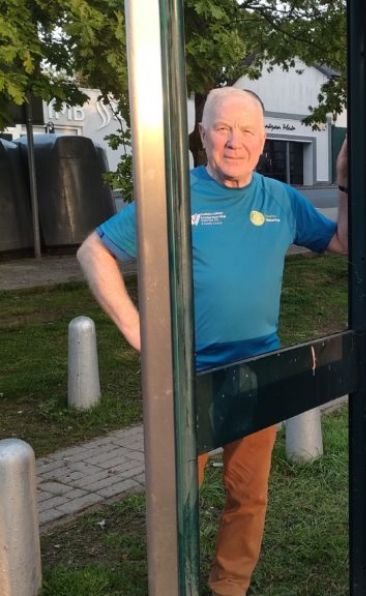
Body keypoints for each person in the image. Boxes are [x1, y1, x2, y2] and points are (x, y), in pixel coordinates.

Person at [77, 86, 349, 596]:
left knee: (248, 495)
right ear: (202, 135)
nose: (234, 141)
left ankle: (228, 587)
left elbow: (340, 242)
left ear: (263, 140)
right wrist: (139, 332)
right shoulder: (173, 196)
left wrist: (347, 184)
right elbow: (94, 250)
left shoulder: (280, 199)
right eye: (223, 128)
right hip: (186, 376)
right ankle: (172, 581)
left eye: (247, 131)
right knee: (176, 494)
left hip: (257, 372)